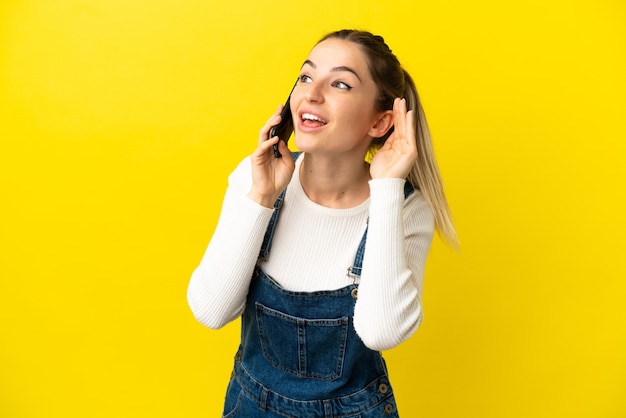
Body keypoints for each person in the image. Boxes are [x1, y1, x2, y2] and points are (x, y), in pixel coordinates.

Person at [187, 29, 457, 417]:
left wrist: (386, 187)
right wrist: (261, 197)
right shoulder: (256, 179)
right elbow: (211, 311)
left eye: (341, 84)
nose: (311, 94)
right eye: (306, 77)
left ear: (380, 123)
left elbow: (382, 331)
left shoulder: (404, 208)